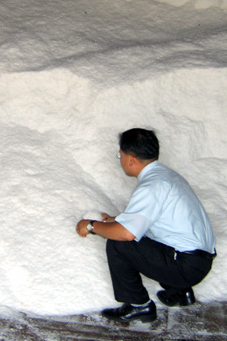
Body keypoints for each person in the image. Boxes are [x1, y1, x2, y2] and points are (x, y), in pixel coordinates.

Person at [76, 128, 216, 323]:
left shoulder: (151, 186)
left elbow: (126, 234)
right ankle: (180, 292)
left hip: (185, 266)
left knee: (119, 244)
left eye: (120, 155)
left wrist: (91, 226)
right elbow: (149, 218)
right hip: (199, 260)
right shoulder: (165, 176)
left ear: (131, 159)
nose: (120, 159)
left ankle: (138, 305)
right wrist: (113, 220)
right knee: (135, 234)